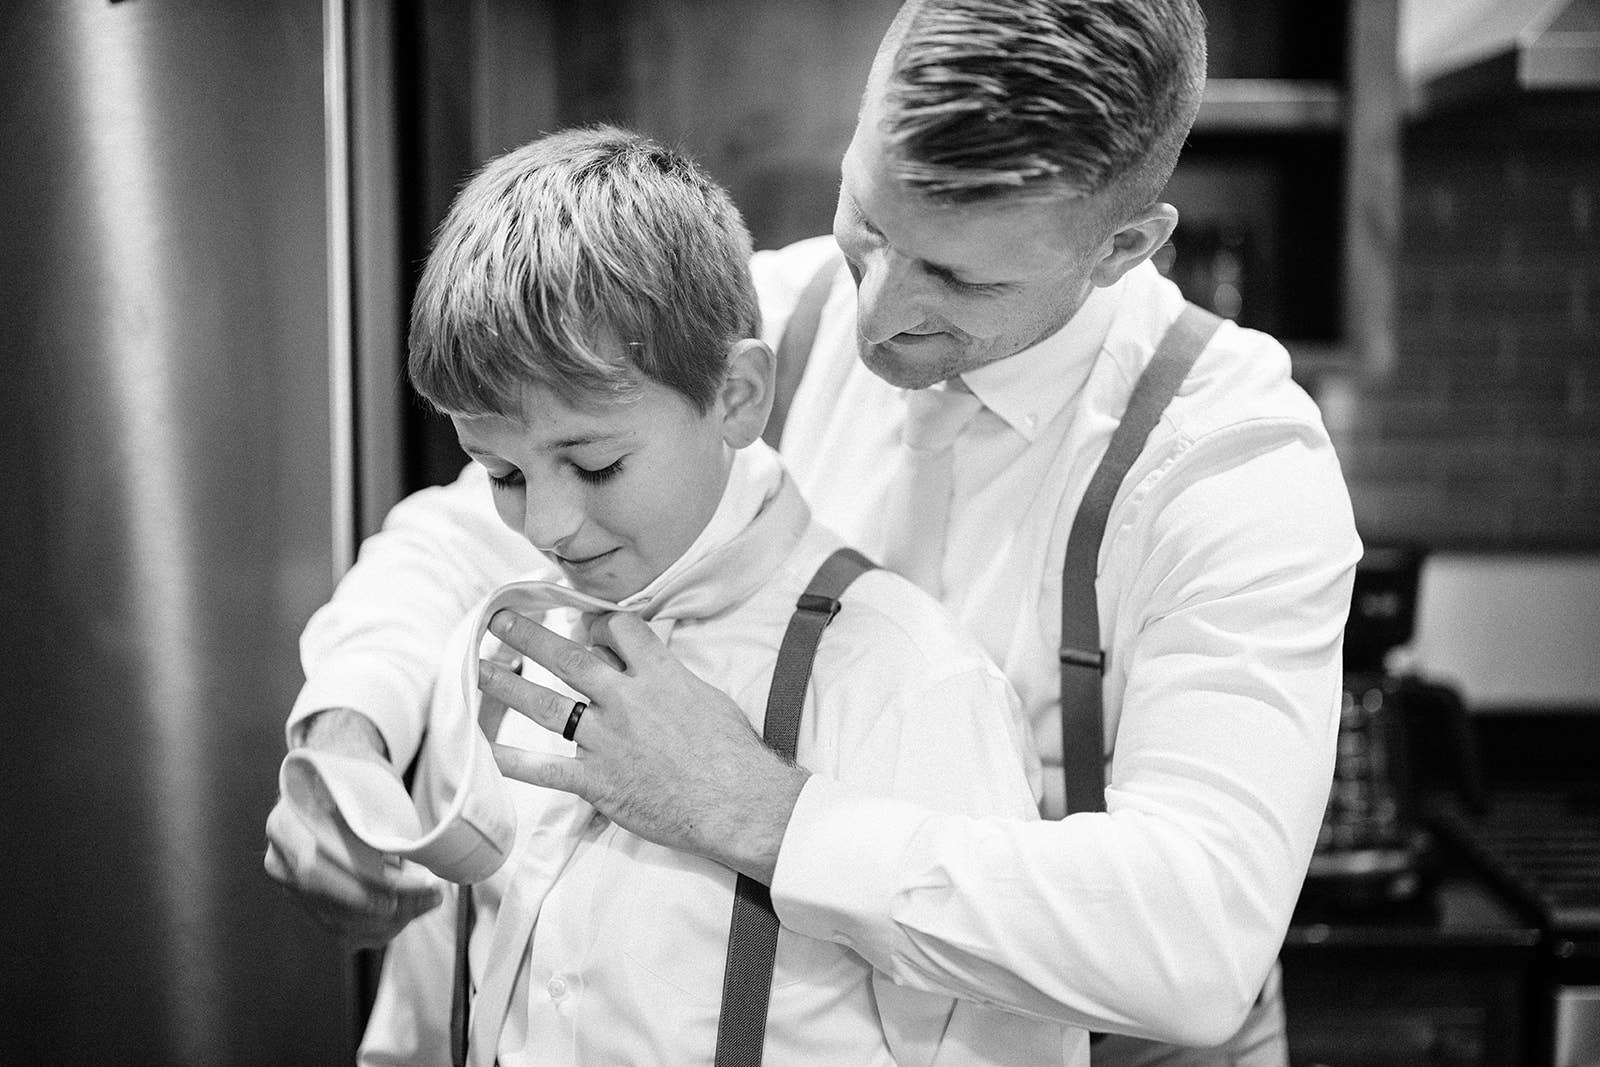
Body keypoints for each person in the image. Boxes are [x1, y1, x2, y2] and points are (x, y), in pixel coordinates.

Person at [266, 2, 1361, 1064]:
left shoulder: (1227, 458)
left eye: (958, 276)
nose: (877, 313)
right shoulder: (779, 319)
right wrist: (347, 732)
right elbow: (470, 535)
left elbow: (1195, 938)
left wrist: (754, 809)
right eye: (867, 223)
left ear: (1122, 246)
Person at [273, 124, 1070, 1064]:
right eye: (502, 473)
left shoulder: (907, 688)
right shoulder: (493, 656)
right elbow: (422, 1022)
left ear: (736, 396)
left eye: (597, 463)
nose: (546, 528)